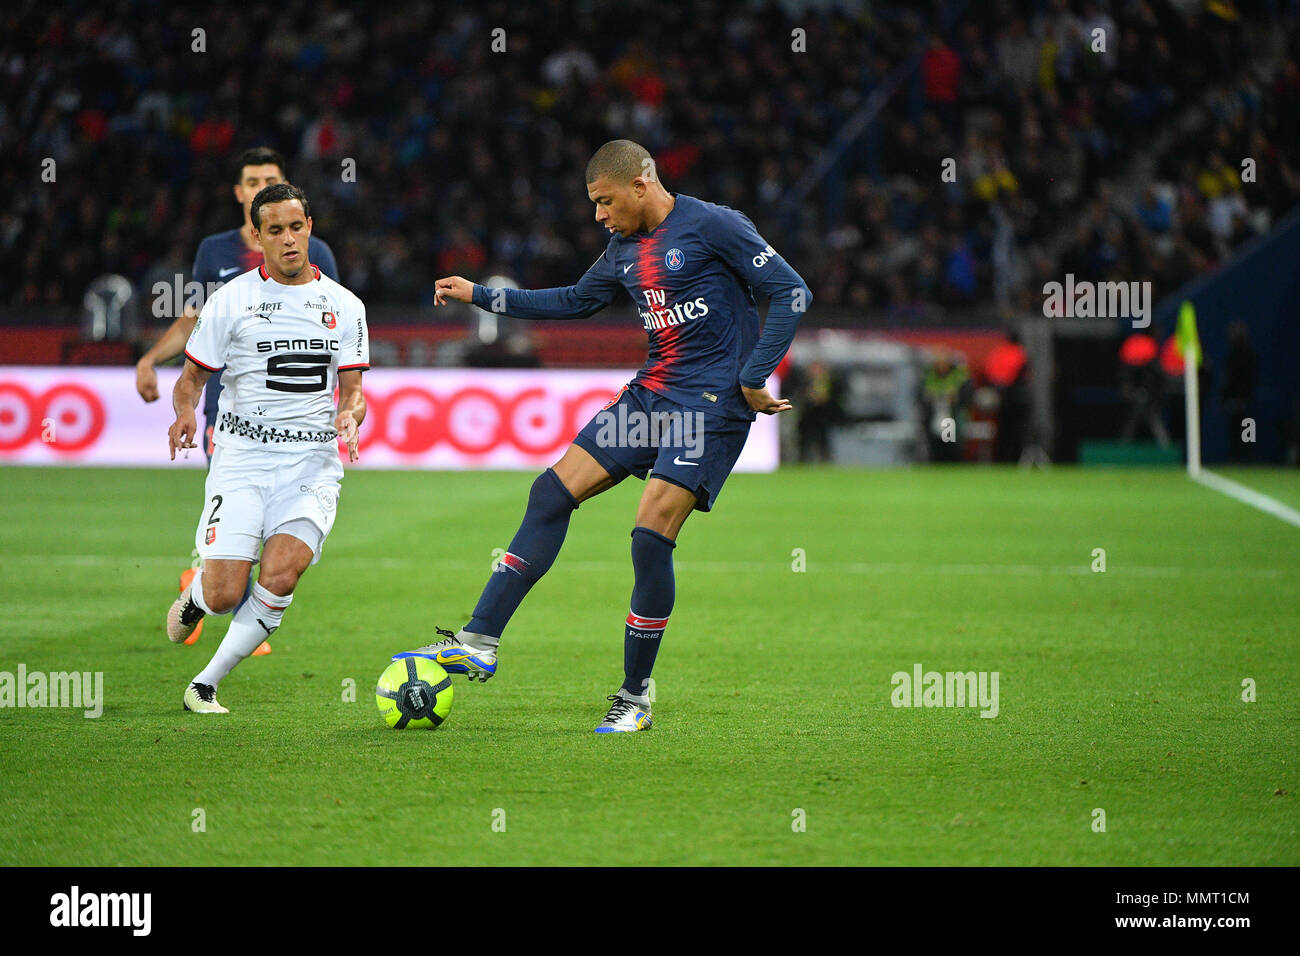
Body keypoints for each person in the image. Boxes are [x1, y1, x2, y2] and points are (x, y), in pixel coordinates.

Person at [395, 139, 812, 733]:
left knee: (648, 537)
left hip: (711, 406)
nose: (599, 216)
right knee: (550, 493)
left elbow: (792, 291)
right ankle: (478, 640)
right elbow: (572, 300)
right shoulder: (622, 250)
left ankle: (635, 696)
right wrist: (481, 295)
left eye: (605, 201)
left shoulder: (715, 225)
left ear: (640, 185)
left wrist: (752, 376)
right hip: (651, 396)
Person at [164, 183, 368, 713]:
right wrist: (186, 411)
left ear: (310, 228)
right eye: (274, 230)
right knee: (227, 592)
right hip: (243, 459)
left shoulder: (345, 307)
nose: (288, 239)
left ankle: (204, 684)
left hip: (311, 463)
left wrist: (350, 415)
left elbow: (353, 392)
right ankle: (199, 598)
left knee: (280, 573)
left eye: (296, 227)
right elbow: (190, 379)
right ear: (257, 237)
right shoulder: (229, 302)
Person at [137, 146, 340, 651]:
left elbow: (329, 329)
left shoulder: (320, 257)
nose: (257, 186)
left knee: (280, 525)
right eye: (250, 180)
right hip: (227, 407)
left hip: (297, 421)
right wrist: (151, 360)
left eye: (268, 178)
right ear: (239, 193)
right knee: (239, 506)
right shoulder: (216, 252)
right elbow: (193, 319)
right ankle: (225, 592)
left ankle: (212, 586)